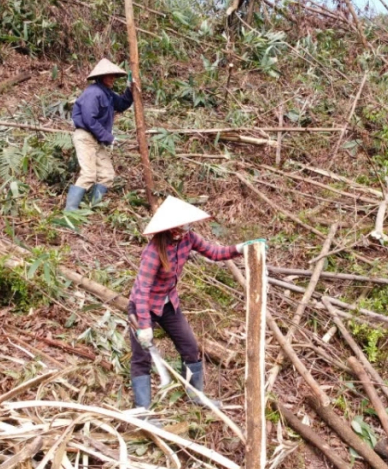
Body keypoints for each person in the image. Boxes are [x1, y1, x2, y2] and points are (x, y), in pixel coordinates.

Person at [127, 196, 265, 410]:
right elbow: (142, 290)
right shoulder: (154, 251)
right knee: (141, 356)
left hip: (168, 303)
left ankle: (195, 395)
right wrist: (144, 326)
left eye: (187, 225)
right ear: (172, 228)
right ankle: (142, 409)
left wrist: (239, 248)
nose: (187, 228)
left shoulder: (188, 238)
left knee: (190, 347)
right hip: (142, 306)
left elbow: (214, 252)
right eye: (183, 225)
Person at [64, 59, 135, 211]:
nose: (112, 79)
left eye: (113, 76)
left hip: (96, 138)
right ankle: (70, 213)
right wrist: (109, 137)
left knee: (107, 174)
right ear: (100, 77)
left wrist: (130, 89)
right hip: (86, 137)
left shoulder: (107, 93)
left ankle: (91, 208)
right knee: (89, 174)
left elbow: (122, 104)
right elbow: (89, 119)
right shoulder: (93, 93)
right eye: (108, 76)